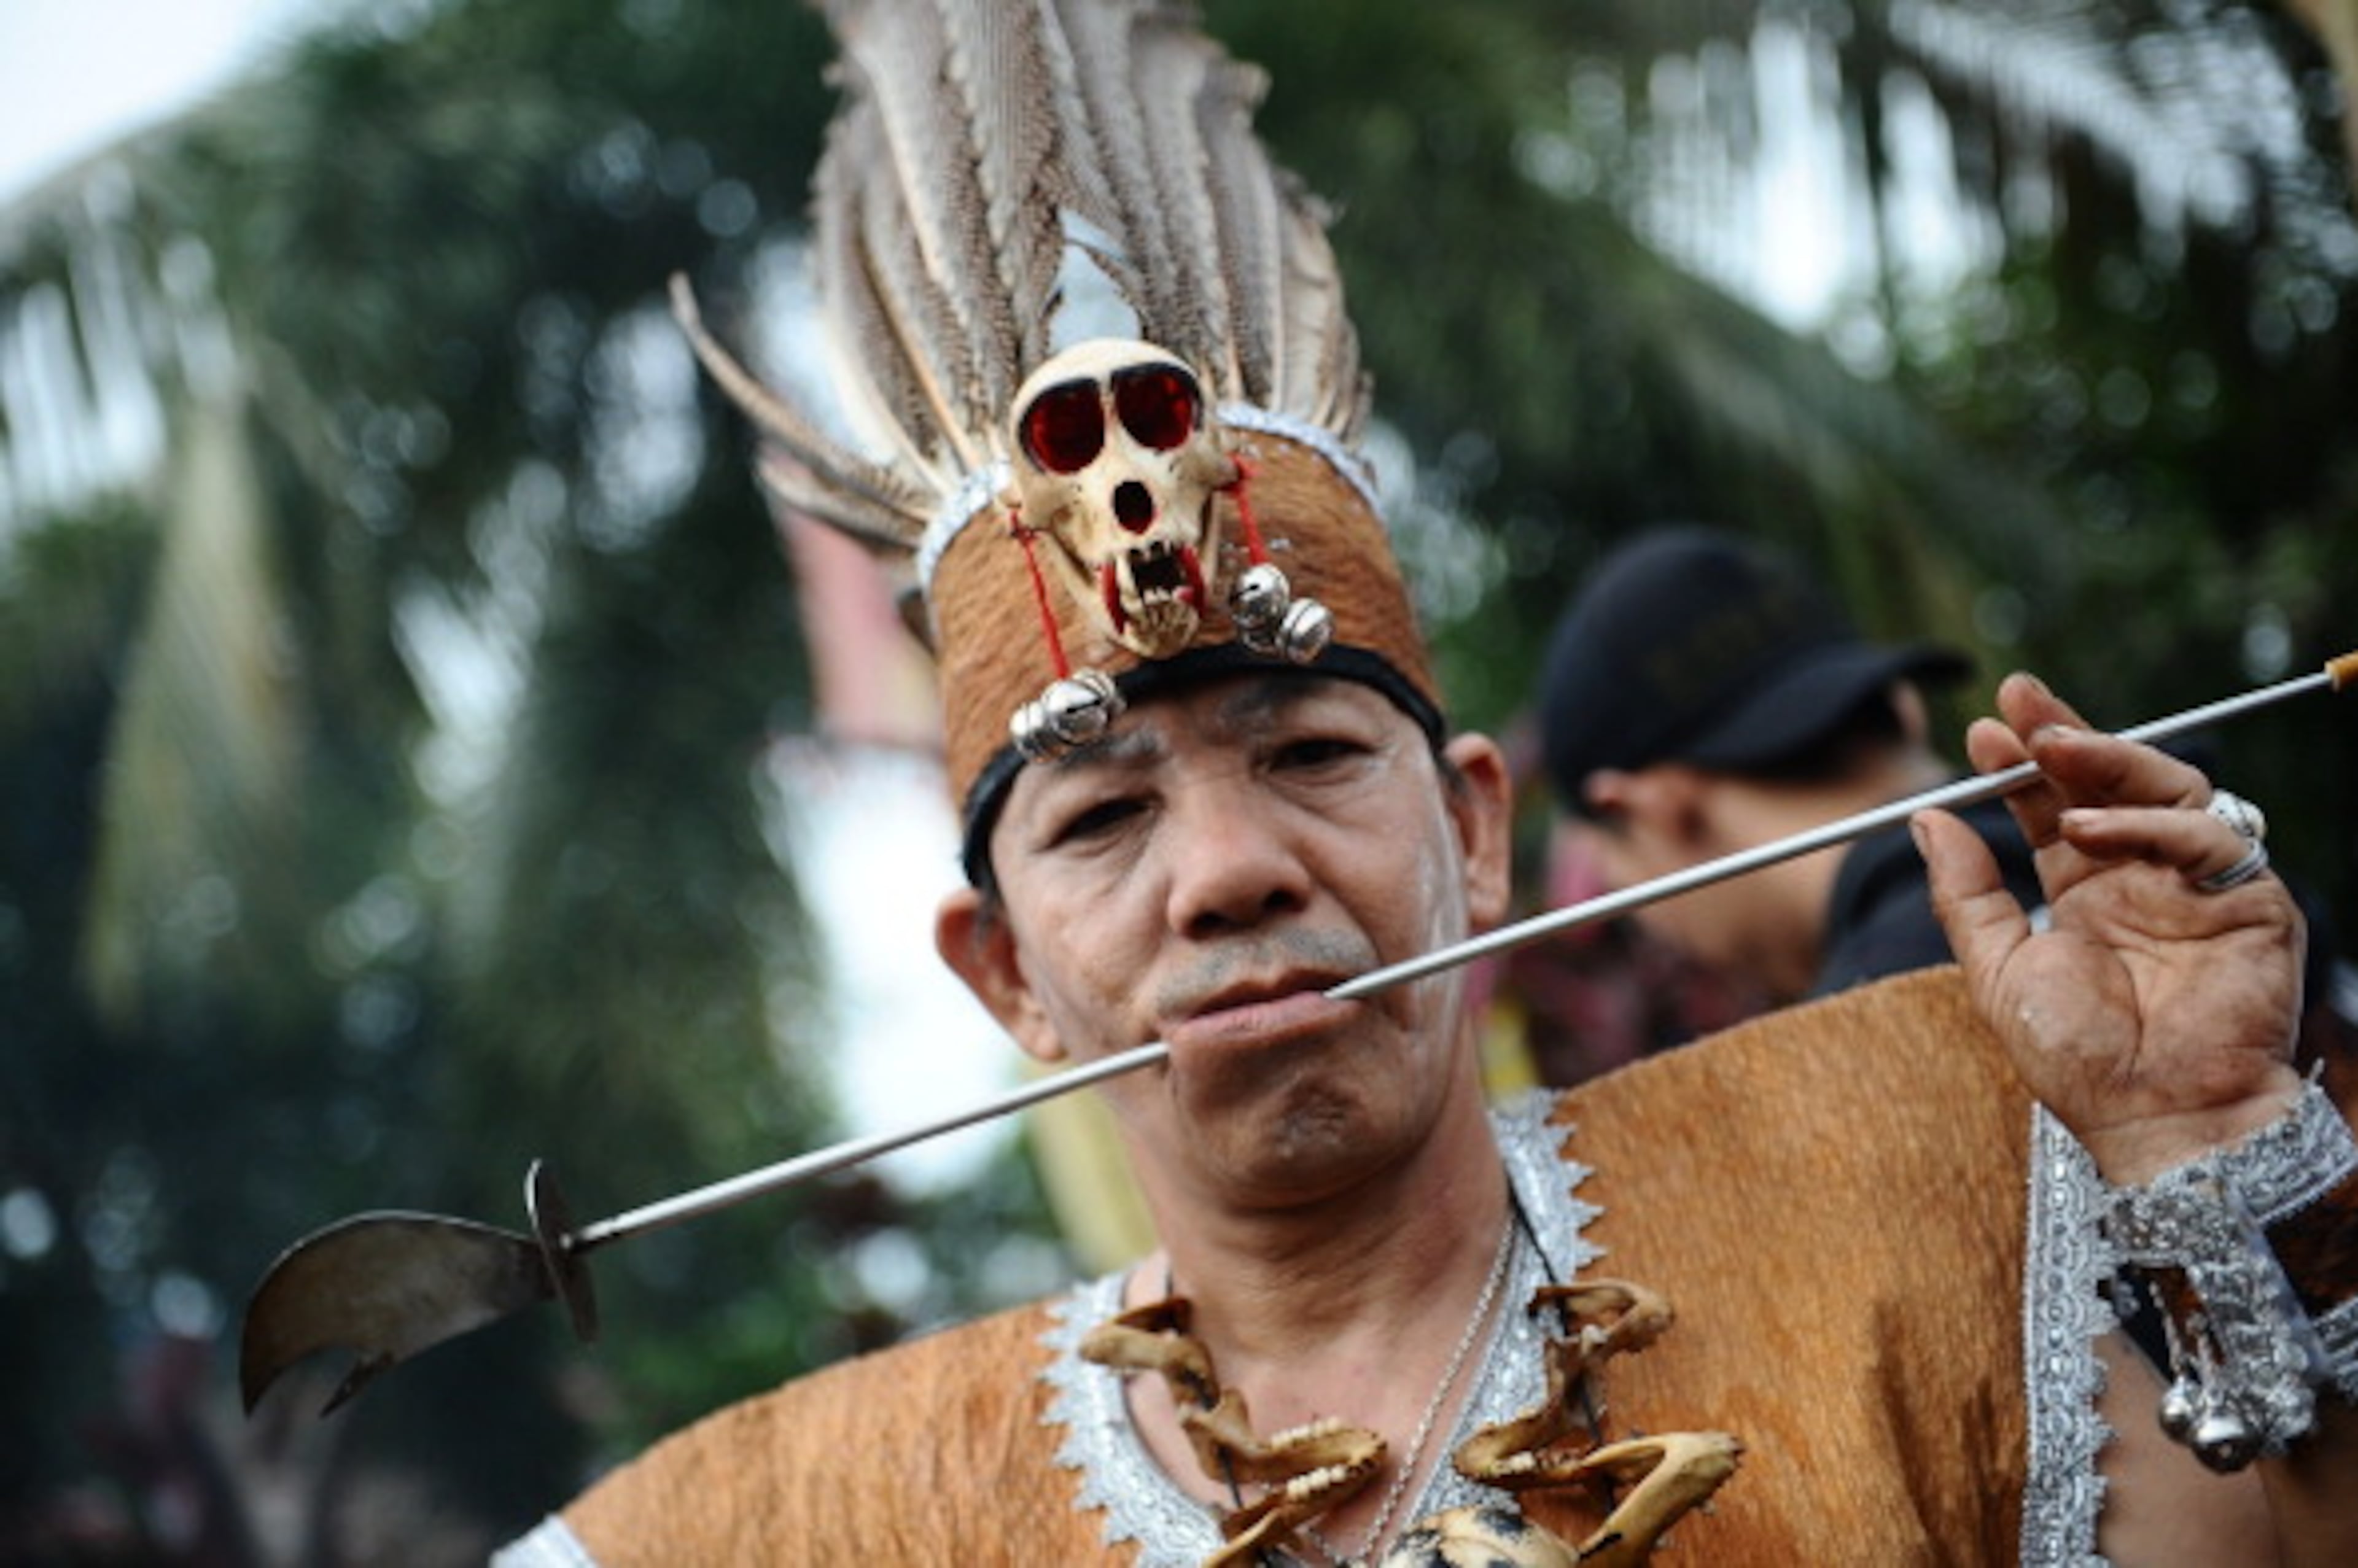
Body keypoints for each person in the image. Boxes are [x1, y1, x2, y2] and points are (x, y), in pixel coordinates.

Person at [496, 3, 2358, 1563]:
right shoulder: (814, 1517)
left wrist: (2208, 1141)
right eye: (1102, 811)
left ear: (1471, 822)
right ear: (1002, 975)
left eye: (1309, 752)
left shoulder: (1931, 1175)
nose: (1227, 868)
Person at [1534, 524, 2044, 1007]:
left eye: (1623, 892)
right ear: (1905, 708)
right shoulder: (2097, 836)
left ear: (1654, 805)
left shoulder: (1880, 1035)